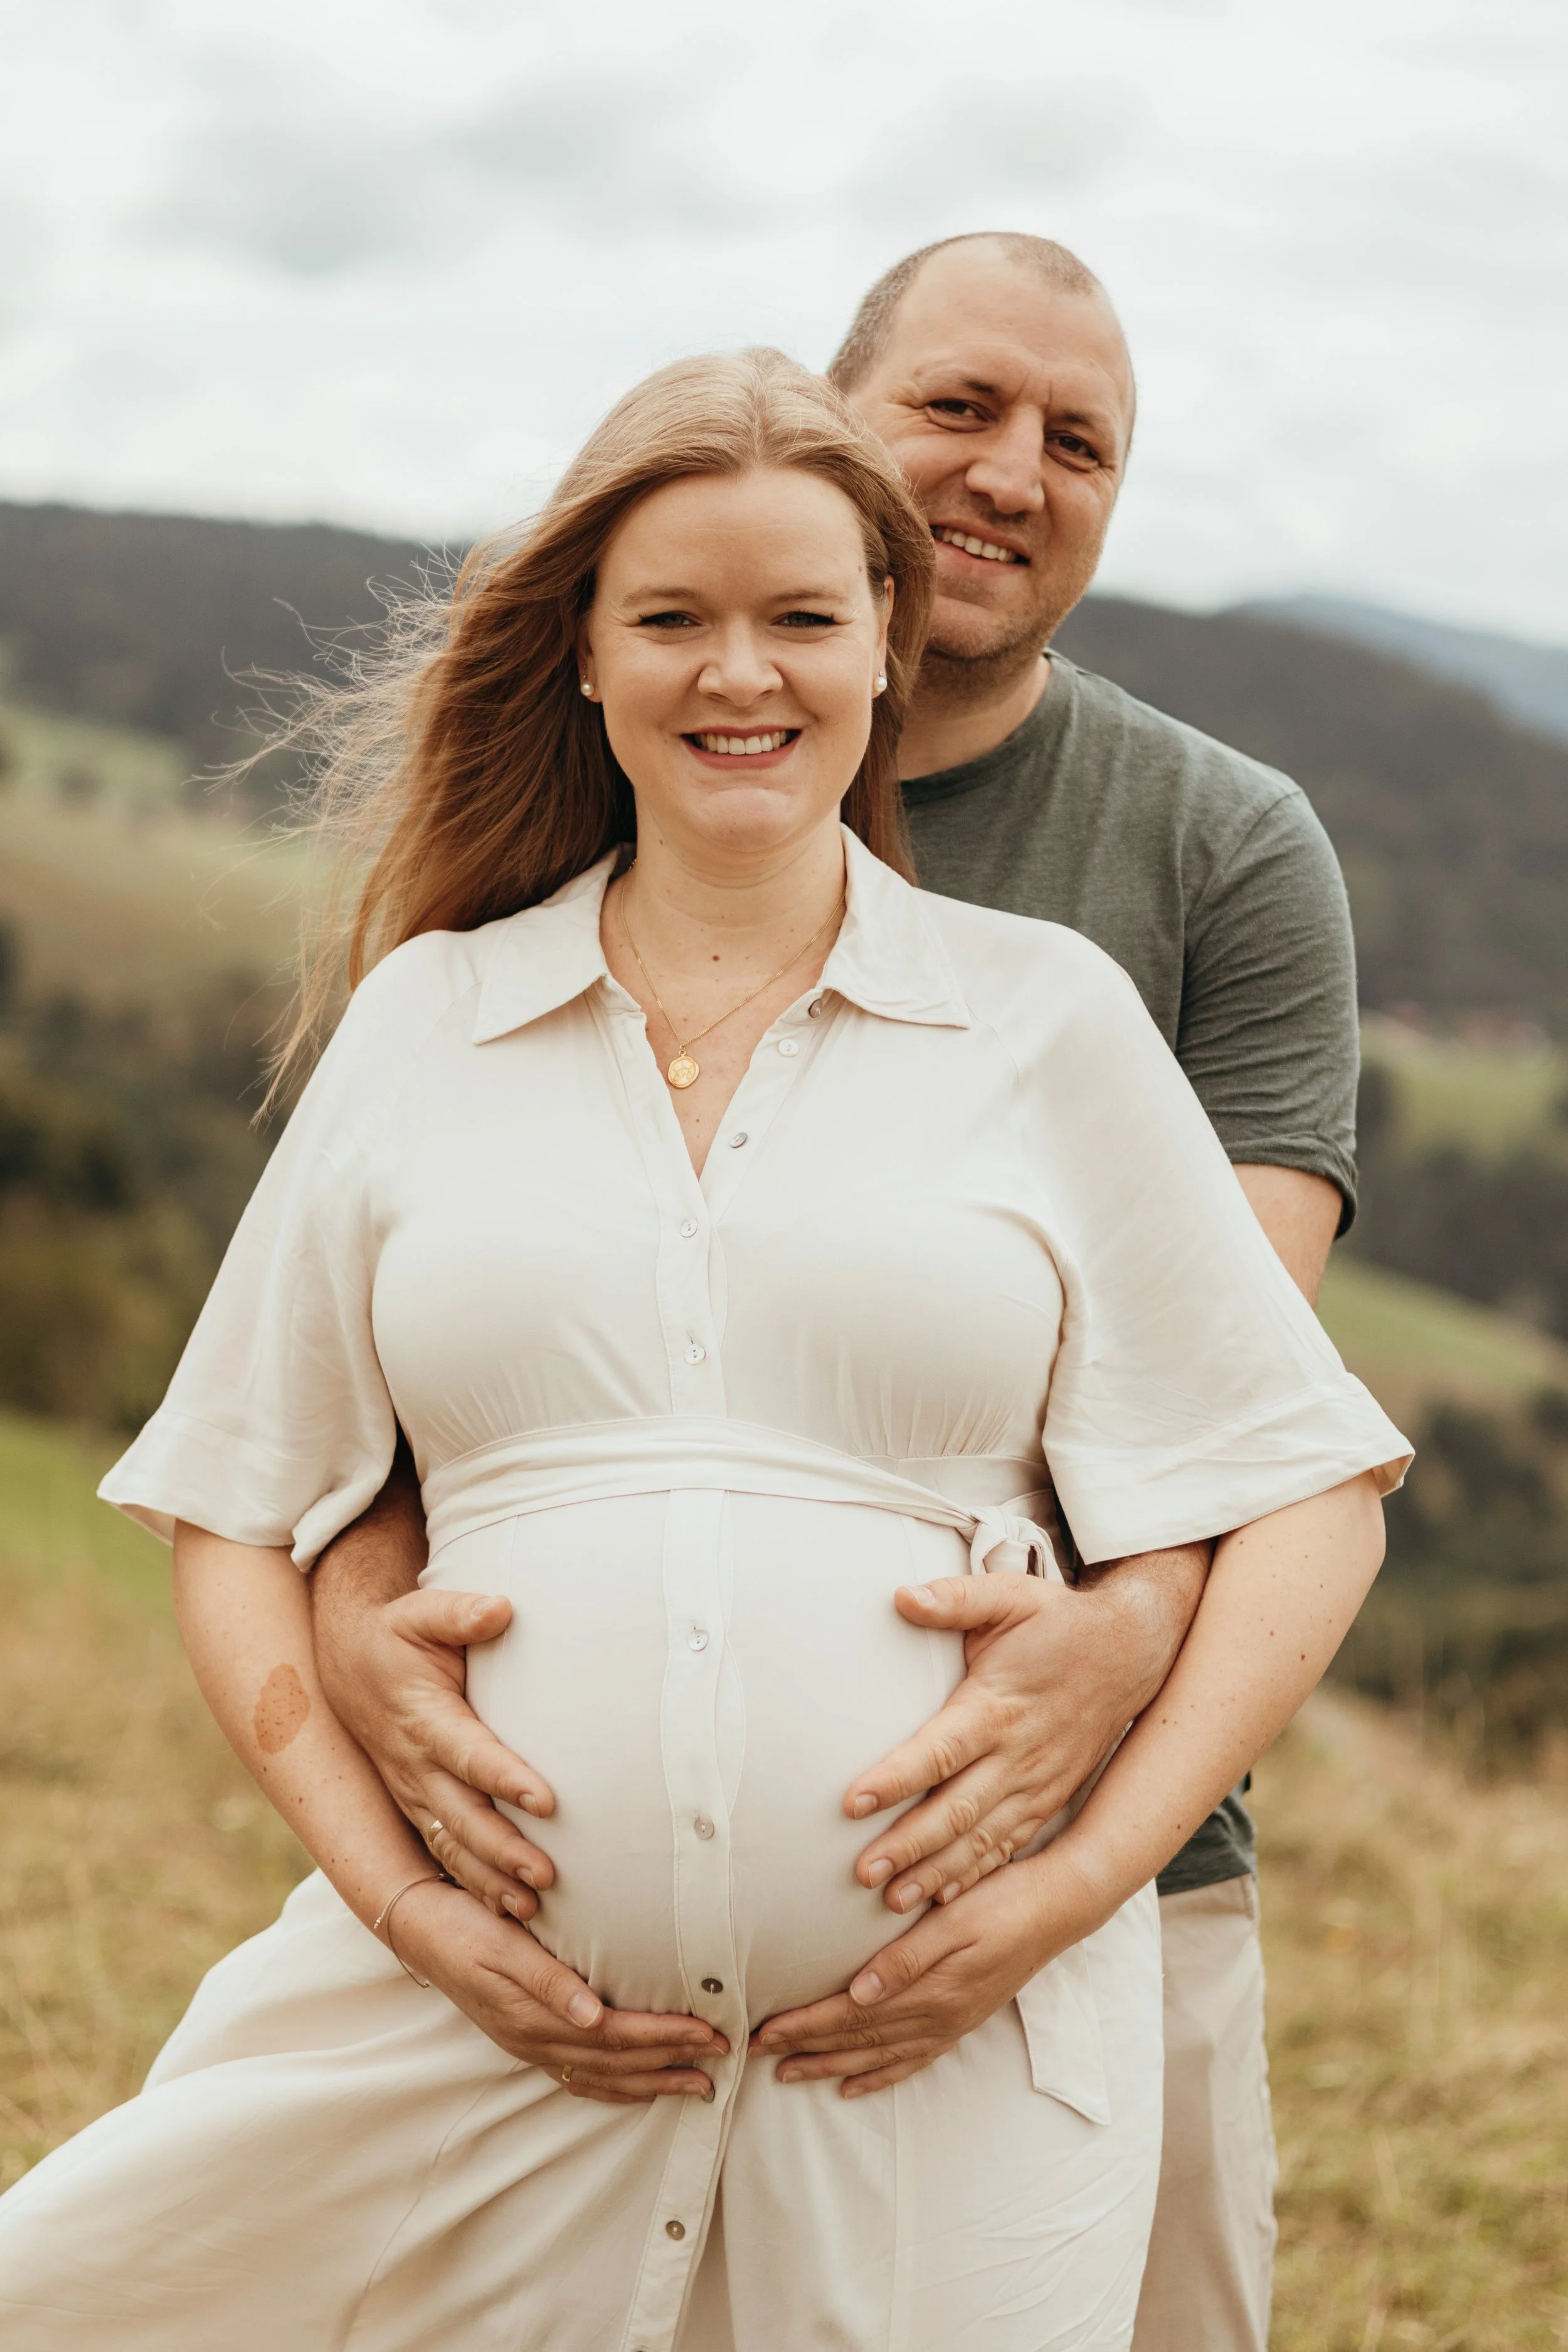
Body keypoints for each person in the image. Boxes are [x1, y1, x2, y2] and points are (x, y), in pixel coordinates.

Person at [0, 350, 1405, 2351]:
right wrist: (407, 1910)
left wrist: (1074, 1879)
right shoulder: (431, 1021)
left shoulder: (1048, 1019)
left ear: (884, 647)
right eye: (671, 618)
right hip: (461, 2034)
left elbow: (1303, 1499)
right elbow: (228, 1506)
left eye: (801, 618)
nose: (738, 673)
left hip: (946, 2065)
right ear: (583, 655)